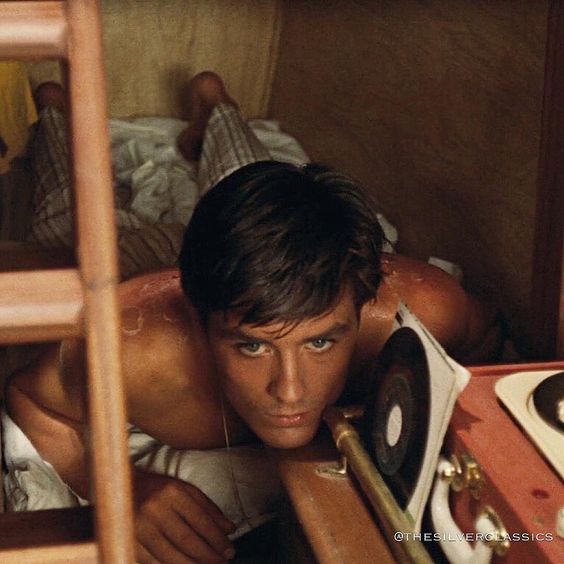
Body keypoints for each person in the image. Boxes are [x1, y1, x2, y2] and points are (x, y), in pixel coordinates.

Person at [3, 72, 500, 563]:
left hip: (242, 267)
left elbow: (486, 350)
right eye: (253, 346)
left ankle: (213, 104)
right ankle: (55, 111)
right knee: (71, 219)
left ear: (362, 306)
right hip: (143, 267)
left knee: (252, 175)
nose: (290, 390)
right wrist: (120, 486)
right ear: (199, 322)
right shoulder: (136, 349)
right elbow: (33, 401)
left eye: (320, 343)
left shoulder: (425, 311)